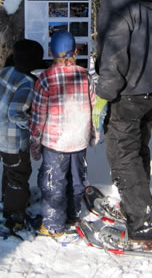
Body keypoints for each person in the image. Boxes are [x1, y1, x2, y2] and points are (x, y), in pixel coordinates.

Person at [92, 0, 152, 250]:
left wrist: (103, 95)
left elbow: (113, 54)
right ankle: (139, 208)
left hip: (128, 91)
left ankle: (143, 229)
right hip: (151, 87)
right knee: (137, 152)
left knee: (122, 156)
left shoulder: (117, 0)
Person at [29, 30, 98, 237]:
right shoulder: (85, 76)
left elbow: (38, 115)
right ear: (76, 50)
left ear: (51, 53)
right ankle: (72, 215)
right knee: (77, 179)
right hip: (79, 139)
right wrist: (94, 133)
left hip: (55, 142)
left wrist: (35, 142)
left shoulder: (45, 79)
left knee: (53, 182)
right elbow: (95, 108)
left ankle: (53, 225)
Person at [0, 39, 44, 236]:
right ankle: (14, 217)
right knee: (19, 176)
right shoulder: (27, 84)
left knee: (10, 171)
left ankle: (8, 201)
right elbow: (15, 113)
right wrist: (34, 126)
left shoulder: (4, 72)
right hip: (12, 141)